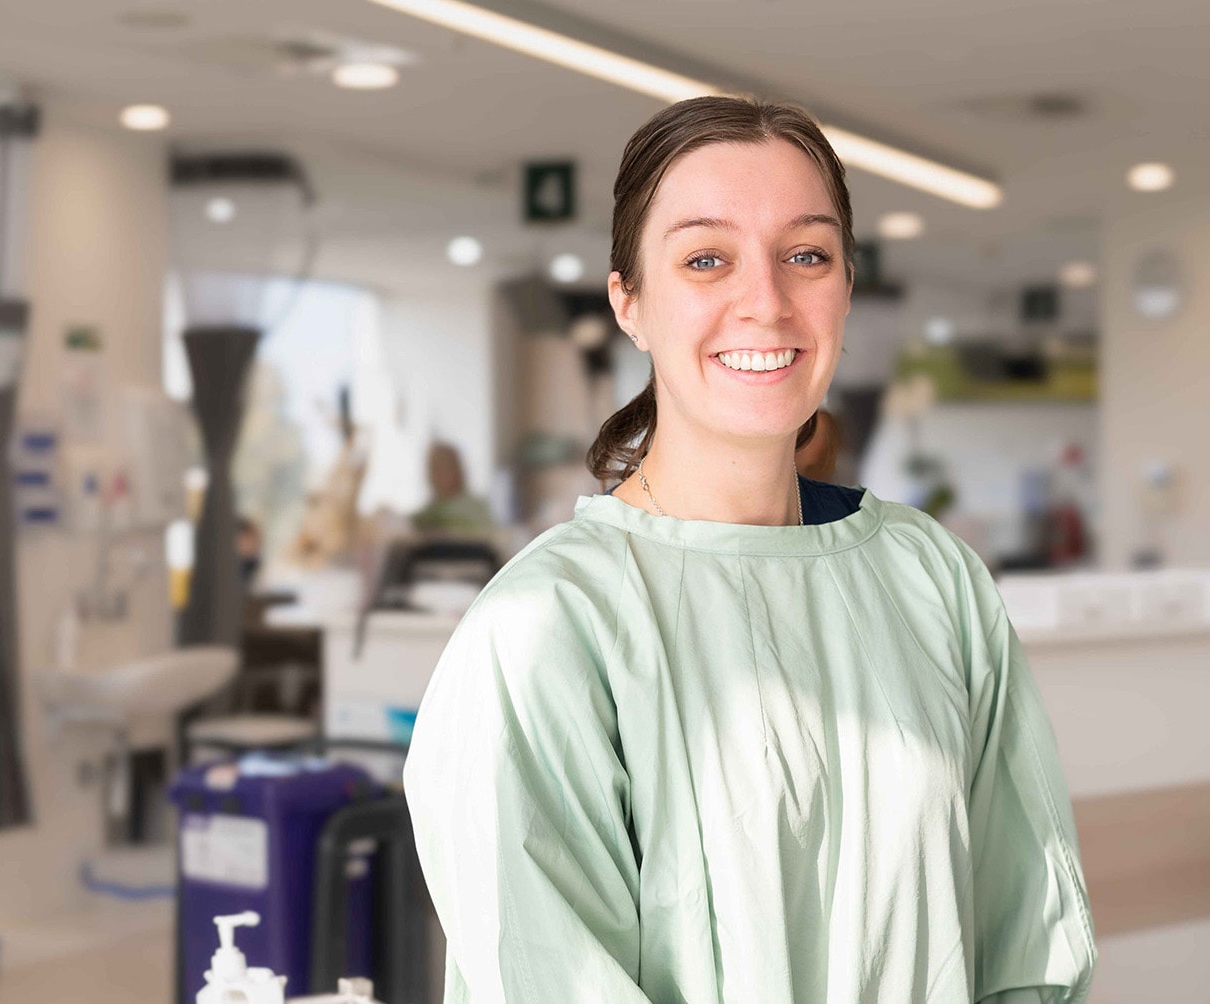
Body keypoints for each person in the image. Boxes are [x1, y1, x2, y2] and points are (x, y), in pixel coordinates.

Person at [404, 96, 1095, 1004]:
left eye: (806, 255)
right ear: (630, 303)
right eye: (706, 260)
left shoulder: (934, 579)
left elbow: (1028, 937)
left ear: (846, 287)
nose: (765, 303)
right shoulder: (546, 628)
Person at [409, 440, 496, 540]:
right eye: (432, 469)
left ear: (457, 471)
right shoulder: (427, 513)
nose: (434, 476)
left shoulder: (475, 507)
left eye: (441, 468)